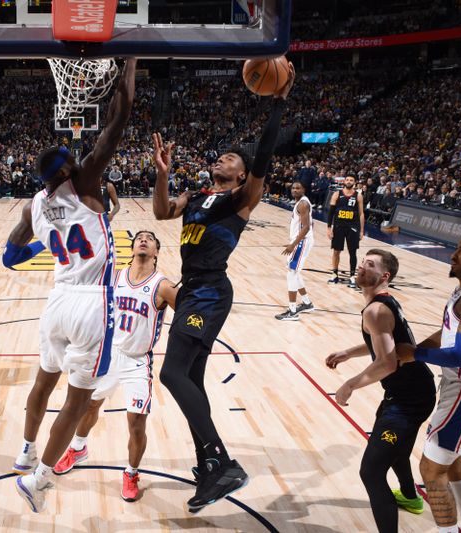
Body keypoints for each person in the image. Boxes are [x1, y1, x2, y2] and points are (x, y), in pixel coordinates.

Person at [151, 59, 295, 513]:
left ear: (240, 174)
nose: (224, 158)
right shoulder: (194, 197)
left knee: (172, 373)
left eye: (233, 158)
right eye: (224, 156)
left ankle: (222, 460)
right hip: (192, 288)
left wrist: (276, 106)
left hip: (210, 292)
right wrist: (161, 172)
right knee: (190, 377)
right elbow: (159, 212)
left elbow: (264, 155)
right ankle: (209, 466)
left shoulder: (240, 199)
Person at [3, 58, 137, 513]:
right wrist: (130, 64)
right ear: (69, 170)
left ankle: (25, 449)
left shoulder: (33, 207)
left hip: (56, 301)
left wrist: (38, 249)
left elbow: (9, 255)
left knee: (43, 383)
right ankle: (38, 480)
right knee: (77, 402)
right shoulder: (86, 183)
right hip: (91, 306)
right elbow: (120, 118)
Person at [51, 230, 177, 502]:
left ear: (156, 251)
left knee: (136, 422)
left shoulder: (163, 285)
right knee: (89, 405)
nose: (143, 240)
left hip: (137, 360)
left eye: (150, 238)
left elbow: (188, 316)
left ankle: (131, 472)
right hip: (108, 354)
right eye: (139, 237)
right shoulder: (115, 277)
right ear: (132, 247)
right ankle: (78, 448)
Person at [326, 249, 436, 532]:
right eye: (363, 261)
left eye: (370, 265)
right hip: (411, 392)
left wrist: (350, 384)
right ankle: (411, 498)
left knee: (372, 472)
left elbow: (387, 363)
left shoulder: (376, 310)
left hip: (408, 399)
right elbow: (385, 345)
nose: (362, 266)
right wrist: (349, 353)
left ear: (384, 276)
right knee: (396, 450)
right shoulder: (382, 304)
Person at [397, 229, 461, 533]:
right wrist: (413, 352)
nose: (453, 254)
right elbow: (449, 335)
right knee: (454, 464)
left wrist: (416, 354)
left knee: (431, 470)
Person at [275, 179, 315, 320]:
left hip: (302, 242)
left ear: (304, 190)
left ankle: (292, 311)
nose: (295, 190)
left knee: (291, 273)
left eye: (298, 188)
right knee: (294, 272)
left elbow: (306, 227)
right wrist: (293, 242)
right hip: (300, 241)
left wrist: (294, 244)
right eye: (293, 188)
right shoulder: (301, 202)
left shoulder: (303, 204)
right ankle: (307, 303)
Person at [327, 175, 365, 288]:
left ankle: (352, 276)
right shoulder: (337, 194)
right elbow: (331, 212)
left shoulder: (358, 195)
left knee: (352, 252)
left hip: (352, 227)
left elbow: (361, 213)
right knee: (336, 251)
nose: (349, 181)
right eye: (347, 180)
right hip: (339, 226)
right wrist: (329, 228)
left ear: (355, 182)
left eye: (351, 180)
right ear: (344, 181)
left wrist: (362, 230)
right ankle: (334, 274)